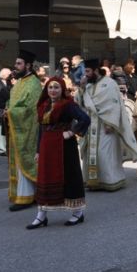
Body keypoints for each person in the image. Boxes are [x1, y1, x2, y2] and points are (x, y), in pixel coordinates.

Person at [26, 77, 91, 229]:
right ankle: (41, 216)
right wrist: (38, 150)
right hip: (47, 147)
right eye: (50, 87)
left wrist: (71, 133)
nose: (53, 90)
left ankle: (77, 213)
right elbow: (41, 129)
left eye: (56, 88)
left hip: (64, 147)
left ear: (62, 89)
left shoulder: (68, 104)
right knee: (44, 179)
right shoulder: (43, 105)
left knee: (69, 177)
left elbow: (85, 119)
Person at [78, 59, 137, 191]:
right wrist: (81, 88)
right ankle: (93, 181)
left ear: (95, 70)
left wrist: (111, 124)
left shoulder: (110, 83)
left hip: (106, 124)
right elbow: (81, 104)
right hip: (91, 125)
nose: (86, 74)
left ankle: (111, 181)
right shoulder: (88, 85)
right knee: (91, 153)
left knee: (105, 153)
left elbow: (115, 105)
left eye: (88, 71)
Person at [5, 50, 42, 211]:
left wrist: (11, 113)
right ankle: (27, 194)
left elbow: (31, 108)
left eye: (19, 63)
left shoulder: (34, 83)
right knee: (19, 163)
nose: (15, 66)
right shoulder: (19, 82)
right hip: (16, 129)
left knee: (25, 163)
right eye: (16, 63)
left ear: (28, 65)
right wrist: (7, 109)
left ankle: (26, 198)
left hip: (27, 129)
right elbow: (12, 102)